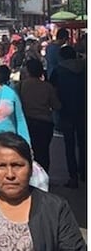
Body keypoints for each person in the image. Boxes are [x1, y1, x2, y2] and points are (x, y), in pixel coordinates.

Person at [50, 46, 86, 188]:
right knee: (84, 143)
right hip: (84, 110)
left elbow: (52, 89)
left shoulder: (58, 71)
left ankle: (73, 177)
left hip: (65, 111)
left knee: (69, 145)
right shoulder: (85, 68)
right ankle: (84, 172)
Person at [18, 59, 61, 174]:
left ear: (28, 70)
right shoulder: (47, 87)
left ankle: (29, 176)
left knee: (28, 151)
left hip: (28, 122)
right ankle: (43, 177)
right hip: (45, 123)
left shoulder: (21, 85)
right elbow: (57, 105)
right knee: (44, 153)